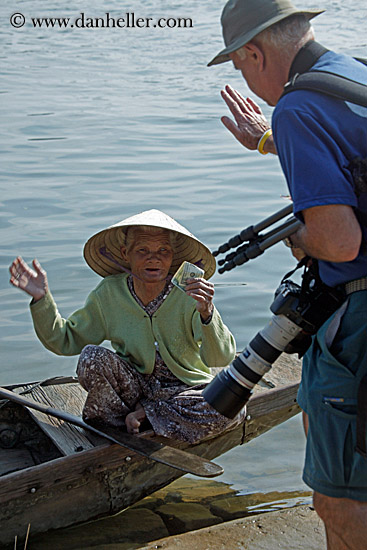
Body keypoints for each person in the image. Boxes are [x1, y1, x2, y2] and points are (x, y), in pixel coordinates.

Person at [208, 1, 367, 548]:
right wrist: (268, 141)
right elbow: (354, 161)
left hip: (359, 326)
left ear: (253, 53)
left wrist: (298, 239)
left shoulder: (298, 109)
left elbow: (340, 240)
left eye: (241, 67)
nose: (248, 83)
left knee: (342, 502)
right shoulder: (356, 74)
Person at [9, 209, 243, 443]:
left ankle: (146, 417)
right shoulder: (109, 292)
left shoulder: (190, 294)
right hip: (133, 388)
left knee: (232, 408)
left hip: (184, 390)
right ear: (125, 253)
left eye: (163, 251)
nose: (154, 258)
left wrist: (207, 312)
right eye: (142, 250)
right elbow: (65, 341)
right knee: (91, 357)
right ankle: (121, 424)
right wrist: (42, 300)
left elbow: (220, 359)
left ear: (173, 257)